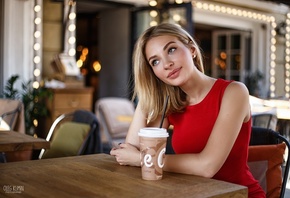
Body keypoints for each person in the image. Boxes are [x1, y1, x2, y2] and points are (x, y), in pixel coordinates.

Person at [110, 23, 265, 197]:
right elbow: (130, 151)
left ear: (191, 49)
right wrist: (147, 94)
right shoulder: (172, 104)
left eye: (171, 50)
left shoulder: (234, 92)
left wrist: (142, 160)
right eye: (155, 61)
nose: (167, 64)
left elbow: (207, 167)